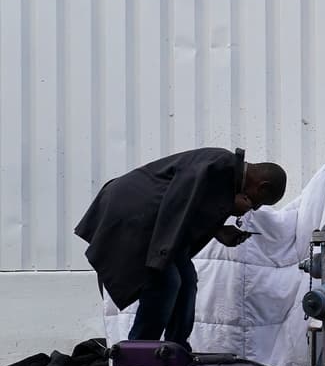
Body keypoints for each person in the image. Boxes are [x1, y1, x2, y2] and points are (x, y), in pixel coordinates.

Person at [74, 147, 287, 349]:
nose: (255, 207)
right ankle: (140, 352)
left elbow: (191, 208)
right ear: (262, 186)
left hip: (154, 223)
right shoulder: (220, 166)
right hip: (132, 213)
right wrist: (160, 261)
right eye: (260, 202)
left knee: (186, 280)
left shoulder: (226, 174)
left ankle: (175, 349)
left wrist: (219, 230)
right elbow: (176, 202)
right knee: (165, 282)